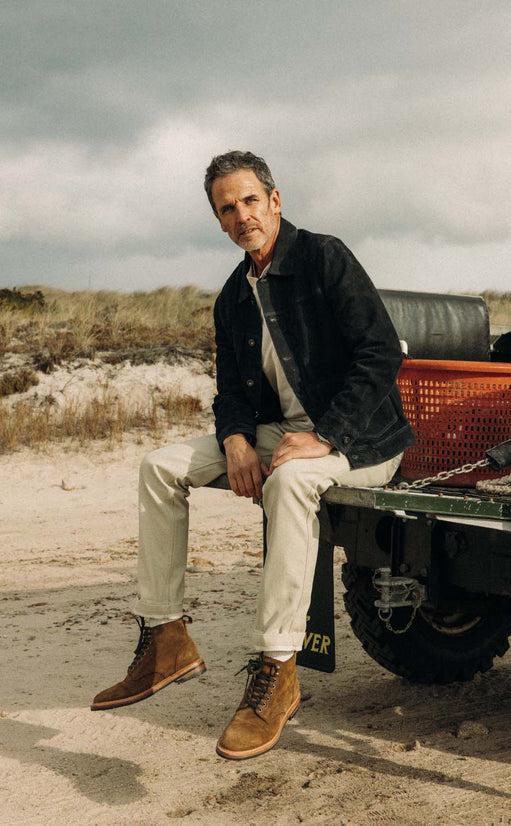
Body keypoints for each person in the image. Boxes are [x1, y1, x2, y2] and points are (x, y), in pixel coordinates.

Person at [91, 150, 415, 760]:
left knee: (289, 481)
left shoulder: (324, 257)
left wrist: (326, 435)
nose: (242, 216)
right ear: (219, 222)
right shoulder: (233, 298)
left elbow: (379, 354)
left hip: (362, 438)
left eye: (249, 201)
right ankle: (165, 639)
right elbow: (231, 391)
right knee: (159, 466)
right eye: (226, 208)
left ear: (275, 200)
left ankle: (278, 667)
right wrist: (236, 439)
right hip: (280, 432)